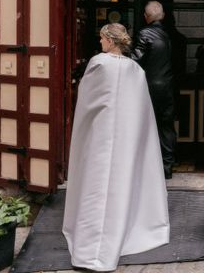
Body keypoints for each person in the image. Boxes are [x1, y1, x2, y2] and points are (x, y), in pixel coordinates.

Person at [63, 23, 169, 272]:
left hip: (100, 134)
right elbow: (141, 110)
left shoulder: (99, 63)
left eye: (101, 38)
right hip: (127, 137)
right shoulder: (135, 70)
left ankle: (92, 248)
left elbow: (87, 100)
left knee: (98, 181)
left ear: (110, 41)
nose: (100, 43)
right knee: (122, 179)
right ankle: (122, 229)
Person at [131, 0, 176, 179]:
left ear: (146, 17)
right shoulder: (172, 35)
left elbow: (136, 59)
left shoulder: (144, 33)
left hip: (150, 86)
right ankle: (167, 167)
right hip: (169, 86)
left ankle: (146, 167)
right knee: (167, 126)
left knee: (145, 125)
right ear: (163, 16)